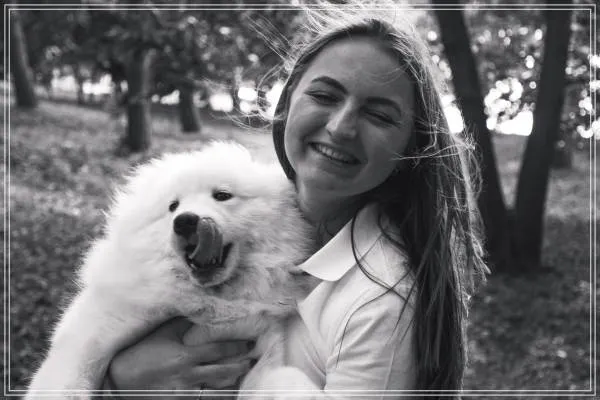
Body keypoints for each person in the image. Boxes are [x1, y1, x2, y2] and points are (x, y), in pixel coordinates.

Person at [105, 3, 488, 398]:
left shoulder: (378, 299)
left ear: (410, 146)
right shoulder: (237, 206)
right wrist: (118, 377)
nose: (341, 127)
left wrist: (126, 382)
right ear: (287, 101)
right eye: (324, 95)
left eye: (379, 115)